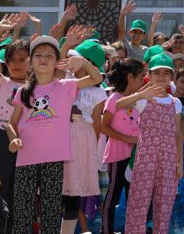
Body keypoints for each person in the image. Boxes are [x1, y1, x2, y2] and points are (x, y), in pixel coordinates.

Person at [5, 36, 103, 234]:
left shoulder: (66, 86)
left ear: (57, 61)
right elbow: (11, 123)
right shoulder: (22, 92)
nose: (44, 59)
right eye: (38, 55)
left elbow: (97, 78)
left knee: (51, 215)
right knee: (23, 214)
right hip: (26, 160)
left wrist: (83, 61)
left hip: (54, 161)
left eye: (49, 55)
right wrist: (13, 138)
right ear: (30, 62)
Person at [119, 53, 184, 234]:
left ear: (171, 76)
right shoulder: (143, 98)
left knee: (165, 201)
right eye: (157, 73)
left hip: (169, 157)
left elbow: (178, 133)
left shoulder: (175, 102)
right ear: (150, 74)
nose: (161, 77)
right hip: (146, 154)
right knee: (139, 198)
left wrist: (180, 163)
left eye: (166, 73)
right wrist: (142, 93)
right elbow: (118, 104)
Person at [0, 14, 30, 234]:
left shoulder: (37, 86)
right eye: (12, 60)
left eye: (22, 59)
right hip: (2, 140)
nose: (17, 64)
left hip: (28, 142)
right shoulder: (2, 82)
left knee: (21, 194)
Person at [61, 34, 108, 234]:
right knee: (57, 188)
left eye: (76, 59)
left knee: (74, 190)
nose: (70, 62)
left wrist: (92, 152)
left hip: (82, 144)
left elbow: (97, 123)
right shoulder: (65, 79)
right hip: (60, 140)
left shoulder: (99, 92)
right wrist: (68, 46)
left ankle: (69, 230)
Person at [100, 58, 145, 234]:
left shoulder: (139, 99)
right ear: (130, 77)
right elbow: (104, 127)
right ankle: (106, 230)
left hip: (135, 158)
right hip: (117, 157)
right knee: (112, 198)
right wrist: (128, 139)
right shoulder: (114, 99)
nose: (143, 81)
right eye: (141, 77)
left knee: (133, 199)